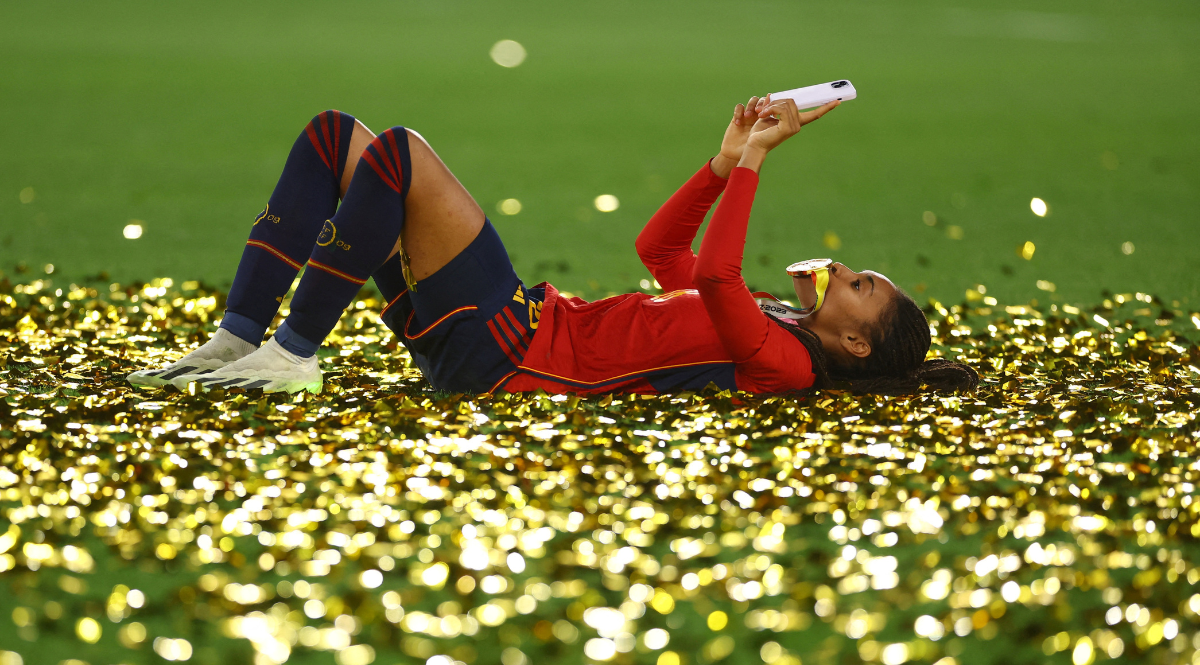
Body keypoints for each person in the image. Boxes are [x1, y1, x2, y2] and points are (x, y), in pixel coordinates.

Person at [128, 95, 978, 396]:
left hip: (512, 351)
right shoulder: (774, 321)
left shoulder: (788, 364)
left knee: (399, 155)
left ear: (858, 341)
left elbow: (715, 272)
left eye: (864, 285)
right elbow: (663, 251)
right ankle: (243, 336)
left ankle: (292, 352)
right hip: (503, 333)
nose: (849, 273)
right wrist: (721, 162)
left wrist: (759, 158)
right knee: (334, 140)